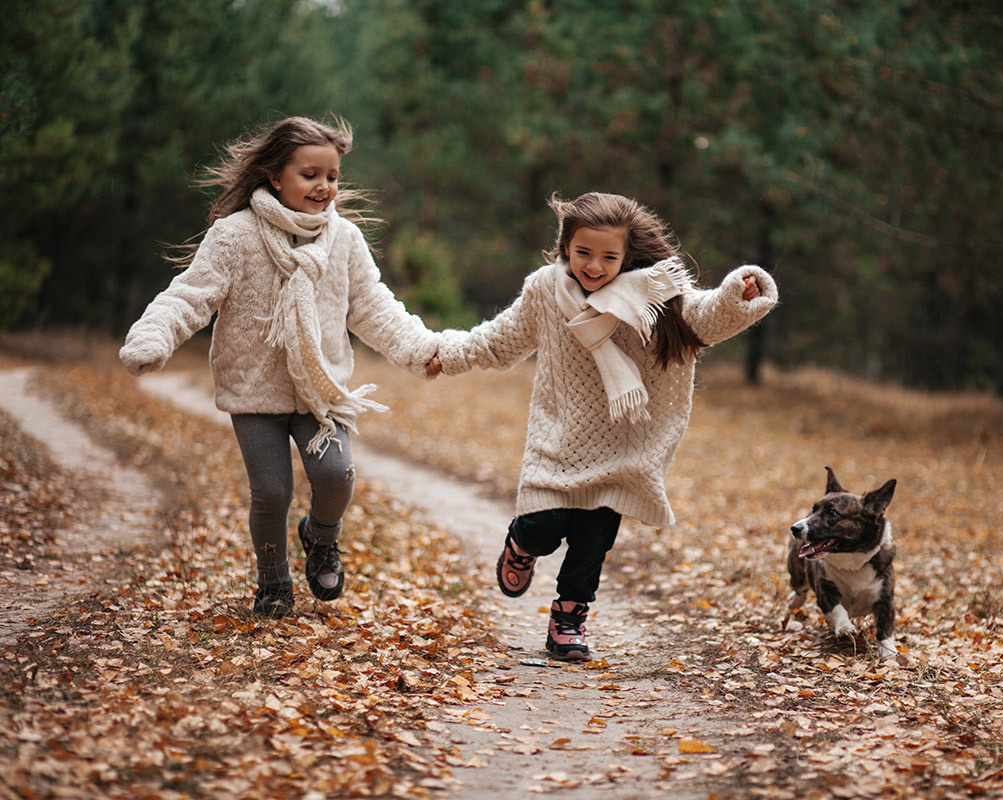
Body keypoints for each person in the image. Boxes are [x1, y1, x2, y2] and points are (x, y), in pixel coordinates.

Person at [427, 191, 778, 660]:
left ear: (627, 255)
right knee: (543, 525)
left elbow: (704, 316)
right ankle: (520, 543)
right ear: (565, 247)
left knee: (592, 544)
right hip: (558, 437)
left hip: (622, 445)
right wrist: (446, 355)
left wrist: (737, 294)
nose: (594, 266)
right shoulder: (544, 290)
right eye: (583, 253)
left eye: (609, 256)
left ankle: (568, 623)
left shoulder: (653, 291)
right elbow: (499, 340)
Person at [119, 116, 439, 619]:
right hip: (254, 392)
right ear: (275, 176)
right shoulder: (234, 235)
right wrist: (153, 335)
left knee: (336, 475)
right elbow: (190, 295)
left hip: (320, 390)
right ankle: (273, 581)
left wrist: (421, 349)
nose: (324, 187)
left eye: (332, 176)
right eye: (310, 175)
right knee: (271, 491)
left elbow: (374, 307)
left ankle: (321, 537)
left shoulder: (344, 241)